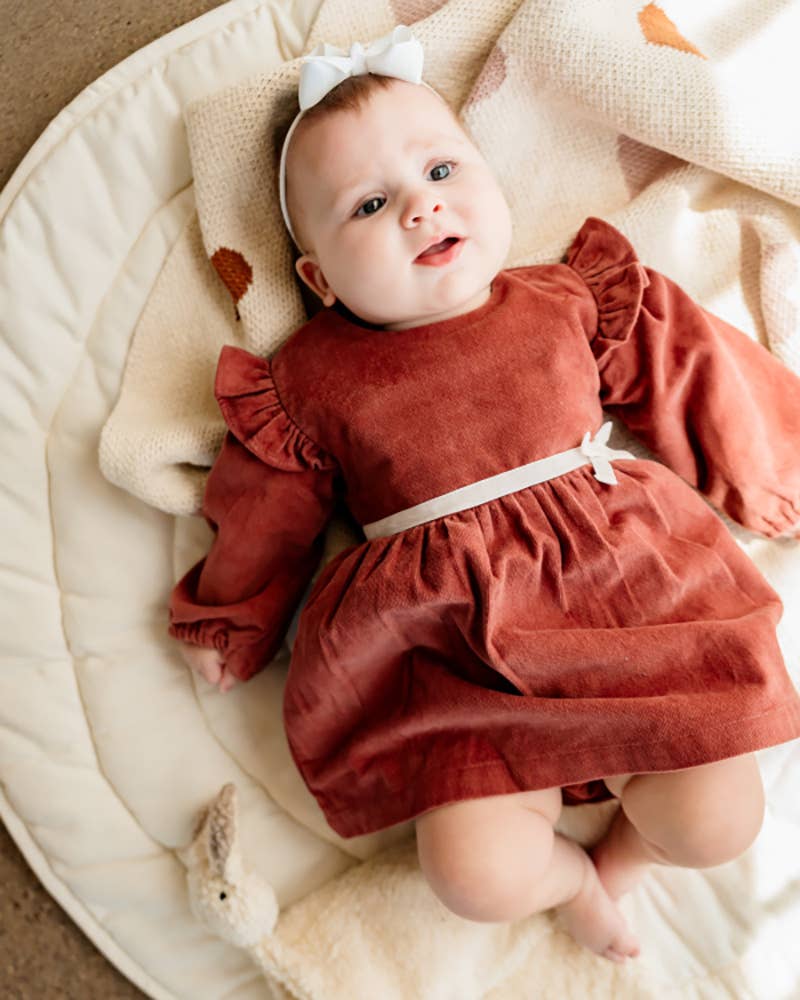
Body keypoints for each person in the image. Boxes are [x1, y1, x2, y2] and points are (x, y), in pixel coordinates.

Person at [168, 26, 800, 964]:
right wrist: (233, 617)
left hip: (627, 606)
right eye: (372, 204)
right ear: (319, 280)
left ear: (491, 180)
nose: (421, 211)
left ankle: (623, 859)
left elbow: (687, 371)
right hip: (454, 651)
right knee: (473, 876)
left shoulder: (564, 297)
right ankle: (567, 880)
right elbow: (266, 510)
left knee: (719, 820)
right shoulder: (310, 378)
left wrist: (773, 466)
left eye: (441, 171)